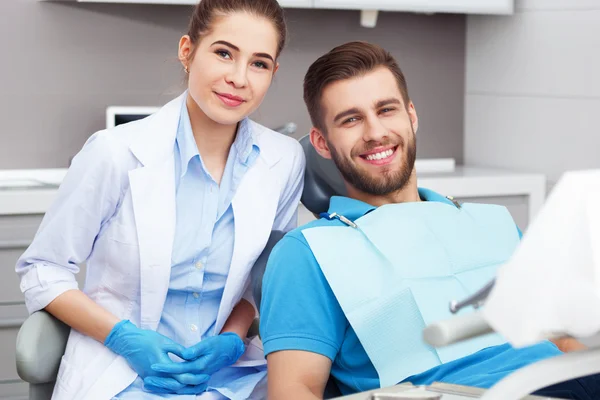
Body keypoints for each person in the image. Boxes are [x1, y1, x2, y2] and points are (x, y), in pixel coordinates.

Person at [259, 41, 600, 400]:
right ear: (322, 143)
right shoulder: (308, 253)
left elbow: (560, 339)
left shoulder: (492, 223)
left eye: (386, 110)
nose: (375, 133)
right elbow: (294, 389)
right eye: (351, 119)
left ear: (411, 116)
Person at [15, 1, 305, 399]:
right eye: (224, 53)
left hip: (230, 378)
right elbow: (42, 269)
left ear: (273, 73)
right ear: (187, 51)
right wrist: (122, 337)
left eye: (259, 63)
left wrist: (234, 338)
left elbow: (263, 279)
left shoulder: (284, 161)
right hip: (124, 374)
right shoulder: (114, 152)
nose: (239, 78)